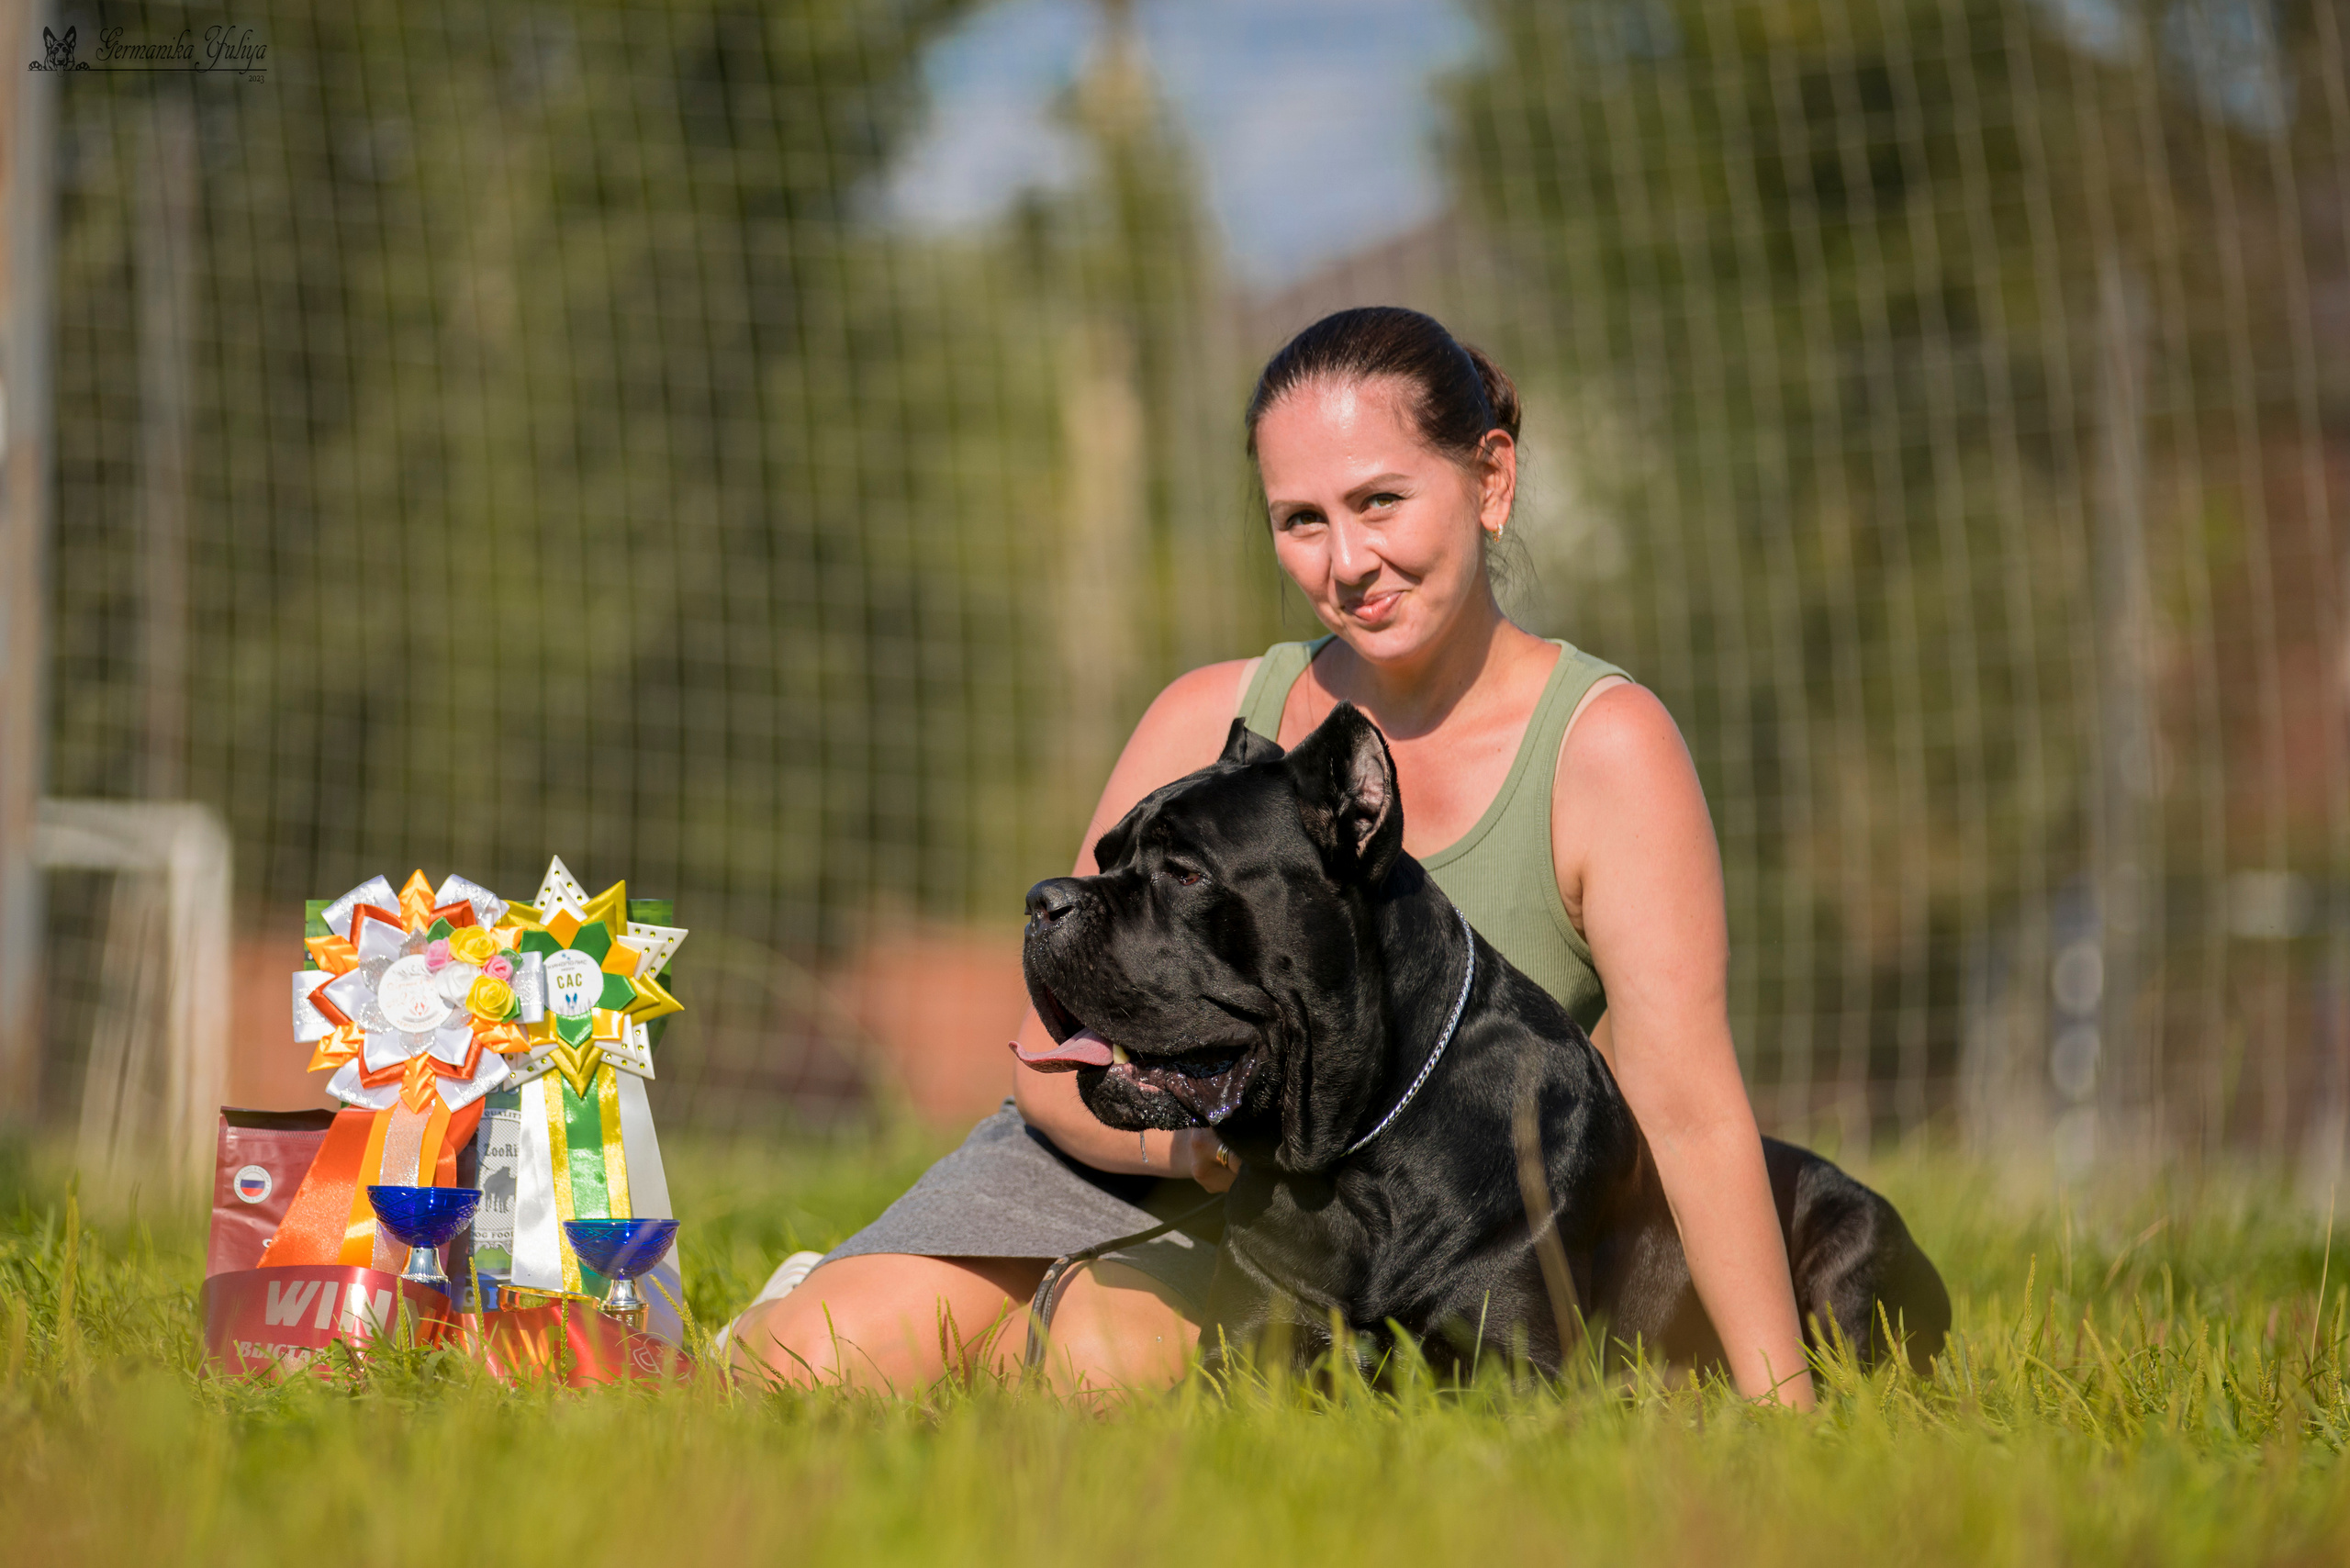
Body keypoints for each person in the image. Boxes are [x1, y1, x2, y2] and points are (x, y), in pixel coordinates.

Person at [725, 306, 1817, 1407]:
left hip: (1372, 1230)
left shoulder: (1604, 746)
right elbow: (1044, 1070)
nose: (1348, 561)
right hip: (1135, 1162)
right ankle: (813, 1299)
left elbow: (1685, 1106)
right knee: (808, 1363)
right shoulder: (1210, 711)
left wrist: (1784, 1409)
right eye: (1301, 519)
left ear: (1490, 480)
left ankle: (1016, 1330)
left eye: (1380, 501)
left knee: (1102, 1369)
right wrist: (1193, 1147)